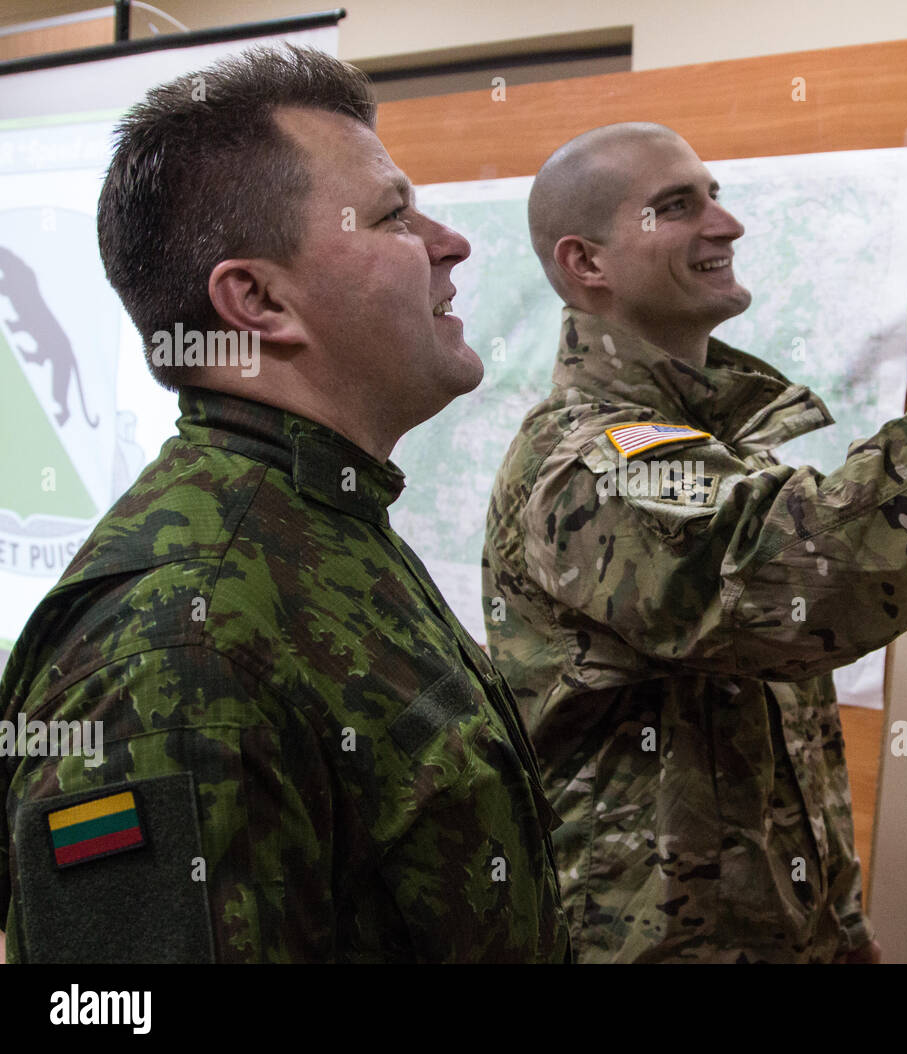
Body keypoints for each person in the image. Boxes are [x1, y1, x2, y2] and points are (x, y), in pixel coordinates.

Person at [482, 122, 907, 962]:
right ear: (586, 263)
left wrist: (840, 931)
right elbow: (834, 576)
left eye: (715, 196)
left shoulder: (704, 447)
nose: (727, 225)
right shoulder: (590, 464)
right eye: (676, 207)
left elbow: (785, 746)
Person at [0, 45, 569, 963]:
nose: (449, 243)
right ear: (258, 300)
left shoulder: (321, 521)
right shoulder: (180, 645)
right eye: (393, 216)